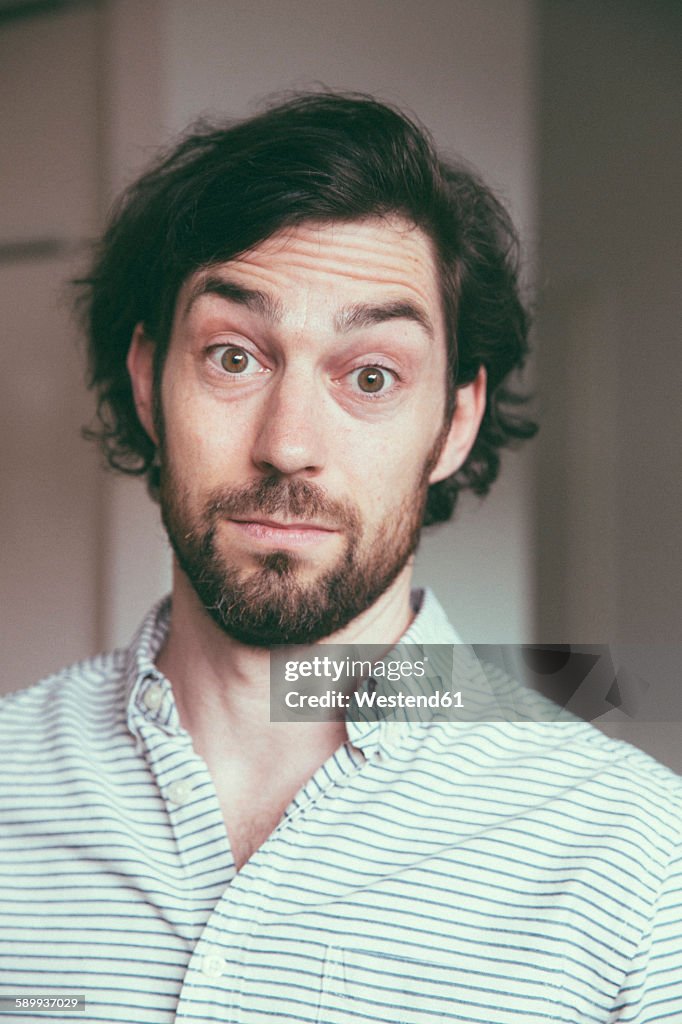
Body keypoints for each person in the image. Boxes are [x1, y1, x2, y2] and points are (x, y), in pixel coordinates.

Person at [1, 92, 680, 1024]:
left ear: (455, 422)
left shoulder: (640, 865)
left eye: (371, 376)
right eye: (234, 357)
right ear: (148, 385)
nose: (289, 444)